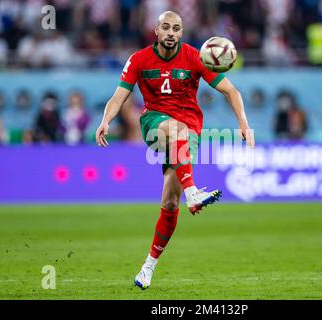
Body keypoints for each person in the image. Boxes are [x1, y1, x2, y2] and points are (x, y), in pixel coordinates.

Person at [95, 11, 254, 290]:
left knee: (170, 202)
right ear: (156, 30)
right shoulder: (139, 59)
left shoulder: (195, 57)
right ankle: (194, 192)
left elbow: (233, 92)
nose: (171, 32)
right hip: (154, 122)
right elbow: (119, 96)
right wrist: (105, 120)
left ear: (181, 33)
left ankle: (147, 267)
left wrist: (243, 122)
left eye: (176, 28)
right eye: (166, 27)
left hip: (189, 131)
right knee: (174, 129)